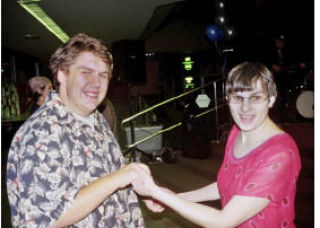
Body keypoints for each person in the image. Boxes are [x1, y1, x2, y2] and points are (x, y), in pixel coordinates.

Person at [132, 62, 302, 227]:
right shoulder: (237, 132)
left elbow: (224, 220)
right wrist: (179, 197)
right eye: (237, 98)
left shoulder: (281, 153)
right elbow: (226, 185)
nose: (245, 108)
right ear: (227, 99)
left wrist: (157, 192)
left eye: (255, 98)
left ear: (271, 100)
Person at [6, 33, 148, 228]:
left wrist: (131, 190)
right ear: (62, 74)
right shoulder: (41, 132)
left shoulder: (96, 118)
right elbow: (45, 220)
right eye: (86, 72)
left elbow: (102, 179)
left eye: (103, 75)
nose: (96, 83)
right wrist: (117, 179)